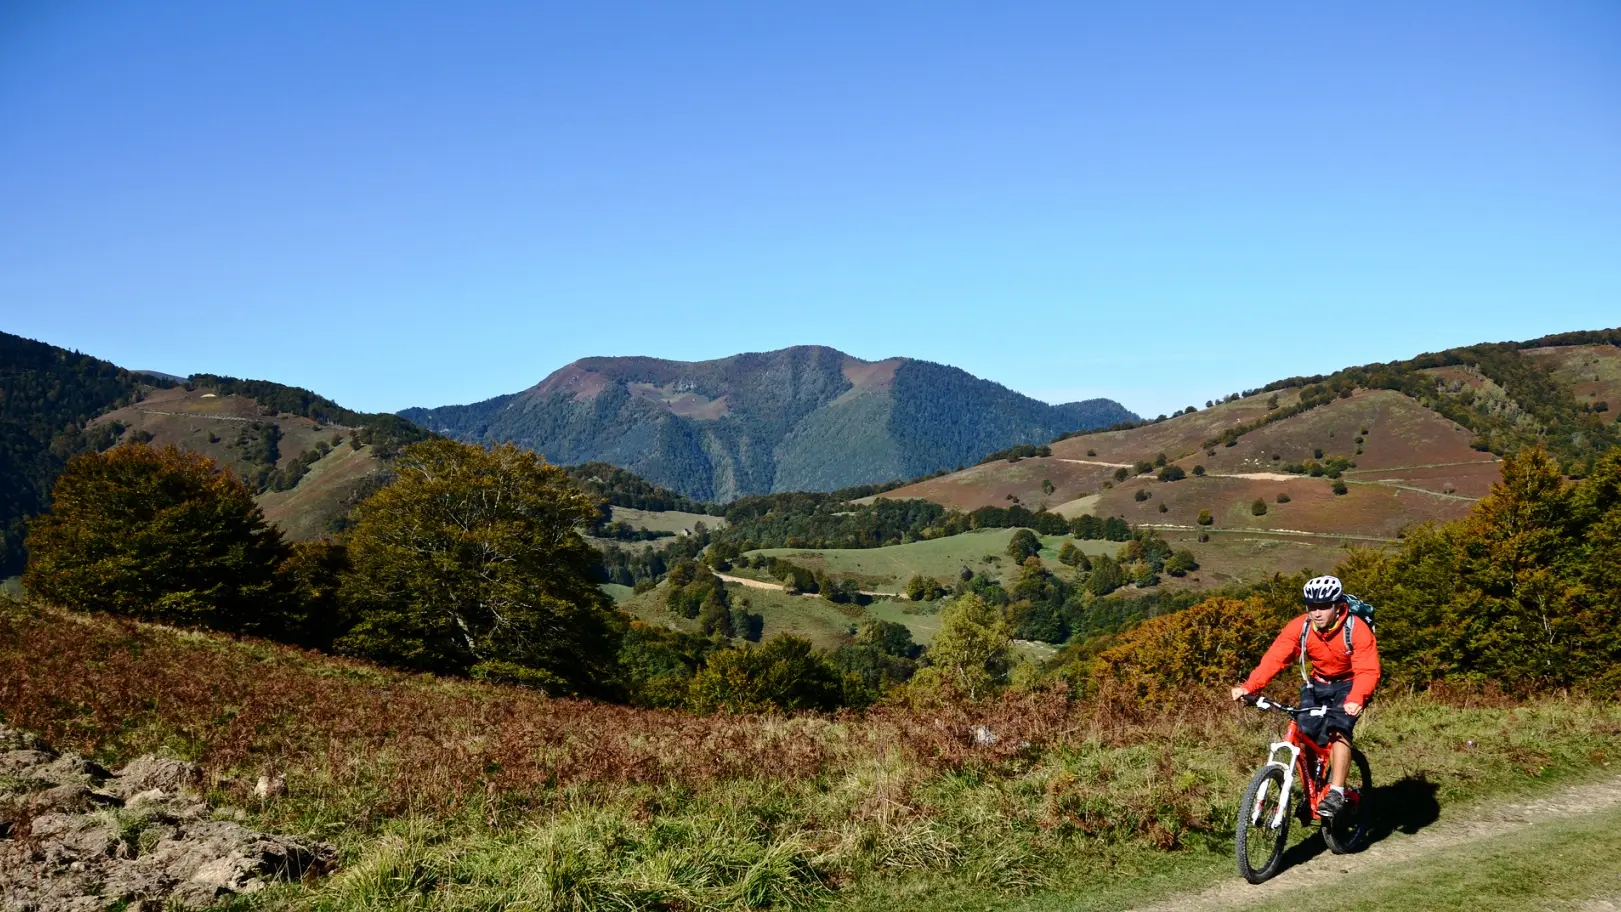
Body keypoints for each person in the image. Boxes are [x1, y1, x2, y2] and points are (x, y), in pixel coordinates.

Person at [1230, 575, 1380, 818]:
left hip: (1350, 684)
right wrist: (1250, 686)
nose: (1317, 613)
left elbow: (1367, 669)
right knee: (1305, 732)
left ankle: (1336, 792)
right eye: (1312, 607)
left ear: (1338, 606)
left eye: (1324, 607)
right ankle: (1313, 791)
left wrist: (1356, 698)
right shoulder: (1301, 627)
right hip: (1318, 682)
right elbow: (1276, 657)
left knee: (1339, 729)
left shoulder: (1356, 629)